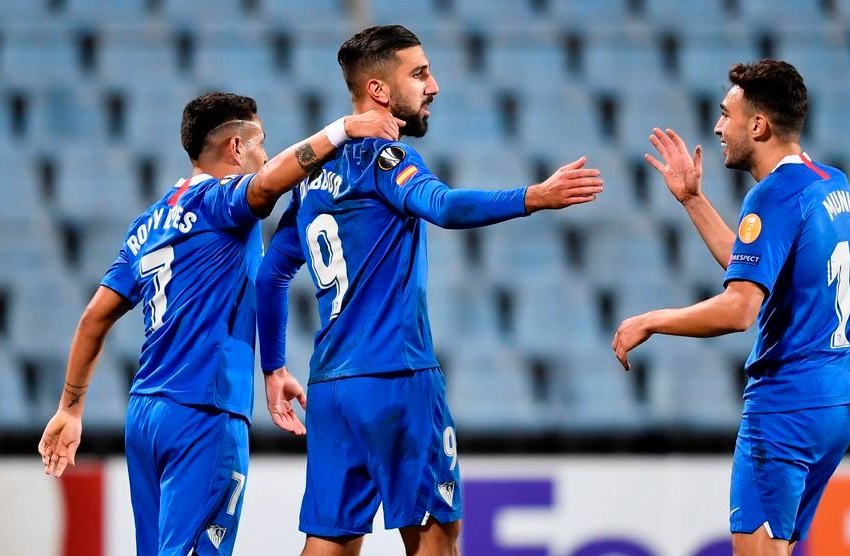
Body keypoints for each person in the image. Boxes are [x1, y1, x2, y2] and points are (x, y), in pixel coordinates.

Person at [256, 25, 604, 556]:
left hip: (331, 387)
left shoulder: (311, 176)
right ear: (378, 90)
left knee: (330, 542)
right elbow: (443, 206)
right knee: (436, 540)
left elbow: (270, 275)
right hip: (396, 378)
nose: (434, 86)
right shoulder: (387, 161)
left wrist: (275, 367)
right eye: (419, 74)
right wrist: (533, 196)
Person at [37, 91, 403, 556]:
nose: (264, 154)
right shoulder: (219, 200)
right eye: (260, 142)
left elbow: (94, 318)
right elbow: (267, 185)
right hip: (203, 411)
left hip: (146, 414)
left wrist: (70, 409)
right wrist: (343, 130)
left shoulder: (148, 223)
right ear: (235, 147)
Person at [612, 60, 850, 555]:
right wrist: (693, 199)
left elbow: (739, 309)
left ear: (758, 125)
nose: (717, 127)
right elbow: (754, 263)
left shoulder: (772, 196)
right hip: (838, 399)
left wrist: (652, 320)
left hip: (786, 404)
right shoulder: (832, 184)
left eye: (727, 114)